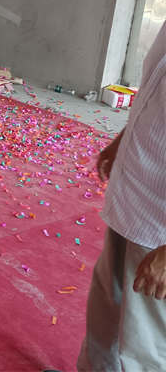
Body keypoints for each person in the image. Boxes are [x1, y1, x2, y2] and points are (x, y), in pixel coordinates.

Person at [77, 19, 166, 370]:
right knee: (107, 314)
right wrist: (126, 139)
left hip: (159, 230)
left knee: (145, 344)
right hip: (134, 198)